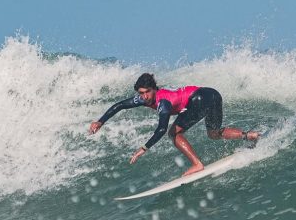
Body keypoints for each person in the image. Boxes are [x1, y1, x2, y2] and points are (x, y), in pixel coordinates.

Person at [89, 73, 260, 176]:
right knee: (214, 133)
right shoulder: (142, 99)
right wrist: (100, 121)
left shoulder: (163, 102)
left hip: (199, 98)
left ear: (154, 89)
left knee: (173, 133)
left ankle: (197, 164)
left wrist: (144, 148)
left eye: (148, 92)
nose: (145, 96)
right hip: (212, 94)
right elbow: (120, 105)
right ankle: (249, 136)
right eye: (141, 93)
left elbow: (162, 129)